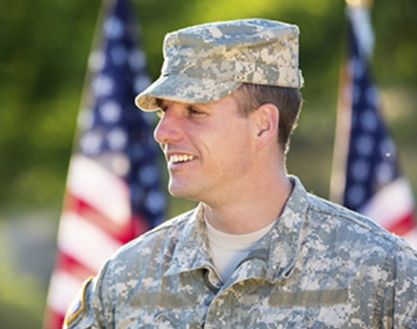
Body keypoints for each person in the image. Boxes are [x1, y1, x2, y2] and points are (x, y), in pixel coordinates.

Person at [63, 19, 417, 328]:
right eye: (164, 112)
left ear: (263, 126)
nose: (163, 132)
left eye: (194, 112)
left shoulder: (384, 276)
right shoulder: (124, 279)